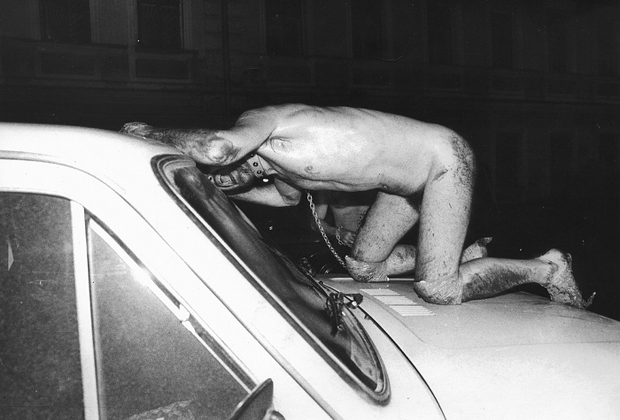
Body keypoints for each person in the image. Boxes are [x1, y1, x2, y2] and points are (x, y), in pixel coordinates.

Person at [121, 104, 592, 308]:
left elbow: (217, 149)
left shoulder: (266, 123)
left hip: (443, 161)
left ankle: (548, 268)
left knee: (438, 289)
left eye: (223, 171)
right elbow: (281, 199)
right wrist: (216, 188)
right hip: (402, 183)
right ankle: (466, 254)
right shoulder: (280, 171)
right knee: (364, 267)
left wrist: (146, 134)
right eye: (221, 181)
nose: (226, 177)